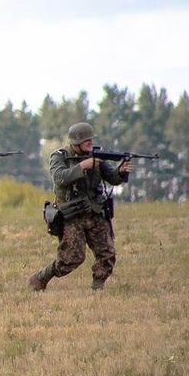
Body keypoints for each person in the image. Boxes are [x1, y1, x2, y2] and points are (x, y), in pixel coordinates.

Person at [29, 122, 131, 291]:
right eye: (87, 141)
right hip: (72, 214)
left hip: (95, 212)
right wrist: (81, 167)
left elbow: (112, 178)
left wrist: (120, 172)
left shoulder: (97, 157)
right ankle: (41, 278)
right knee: (71, 258)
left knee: (107, 253)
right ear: (76, 142)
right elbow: (59, 177)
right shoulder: (60, 156)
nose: (91, 144)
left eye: (91, 140)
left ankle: (97, 288)